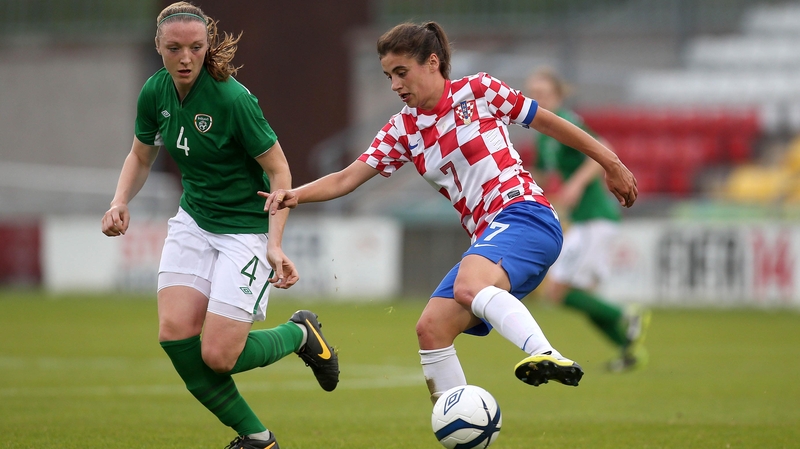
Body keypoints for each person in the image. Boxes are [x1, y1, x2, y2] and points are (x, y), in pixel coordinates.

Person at [263, 22, 637, 405]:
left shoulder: (480, 91)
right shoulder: (402, 130)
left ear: (432, 62)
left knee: (467, 286)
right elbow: (345, 179)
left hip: (526, 214)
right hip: (490, 234)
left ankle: (547, 354)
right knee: (431, 328)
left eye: (401, 72)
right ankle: (457, 423)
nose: (394, 85)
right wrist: (295, 195)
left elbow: (550, 122)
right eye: (388, 76)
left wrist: (610, 162)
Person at [100, 3, 339, 449]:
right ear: (159, 47)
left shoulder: (233, 99)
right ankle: (258, 438)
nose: (185, 57)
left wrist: (274, 243)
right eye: (174, 48)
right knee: (174, 334)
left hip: (245, 231)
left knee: (217, 355)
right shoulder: (154, 92)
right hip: (193, 220)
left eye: (195, 47)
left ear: (207, 45)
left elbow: (280, 173)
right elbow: (140, 155)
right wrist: (119, 201)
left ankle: (299, 333)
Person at [525, 67, 651, 372]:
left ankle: (626, 314)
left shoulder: (566, 121)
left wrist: (576, 185)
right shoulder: (544, 136)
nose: (536, 100)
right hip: (583, 220)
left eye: (543, 94)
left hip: (595, 217)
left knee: (558, 292)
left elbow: (605, 149)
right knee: (572, 294)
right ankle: (629, 351)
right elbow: (540, 175)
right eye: (533, 94)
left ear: (556, 96)